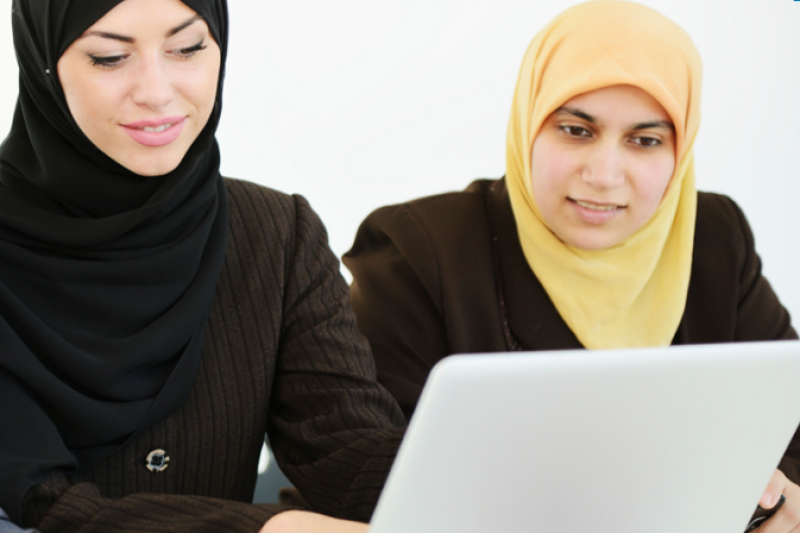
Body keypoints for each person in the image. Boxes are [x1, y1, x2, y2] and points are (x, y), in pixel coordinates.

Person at [343, 1, 800, 530]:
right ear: (528, 124)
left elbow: (788, 414)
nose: (604, 174)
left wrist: (775, 494)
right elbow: (366, 467)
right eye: (576, 130)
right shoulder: (416, 251)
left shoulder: (713, 236)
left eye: (645, 140)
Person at [0, 0, 403, 531]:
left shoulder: (276, 231)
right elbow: (35, 503)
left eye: (188, 48)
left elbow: (344, 447)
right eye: (109, 58)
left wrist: (465, 489)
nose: (157, 91)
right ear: (43, 62)